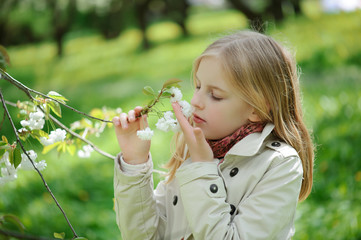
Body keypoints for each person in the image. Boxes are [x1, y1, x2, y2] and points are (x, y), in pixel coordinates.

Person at [112, 30, 314, 240]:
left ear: (257, 108)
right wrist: (135, 162)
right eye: (198, 86)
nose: (196, 101)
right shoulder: (192, 147)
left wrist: (201, 167)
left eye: (215, 95)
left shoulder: (278, 165)